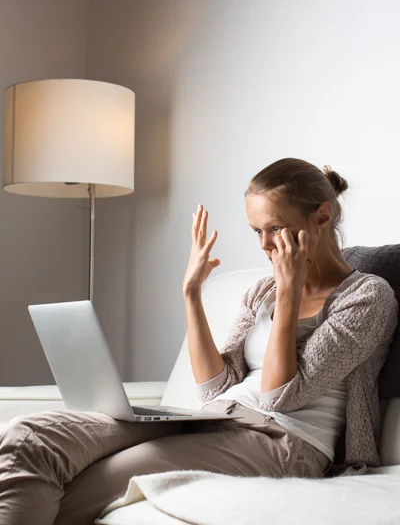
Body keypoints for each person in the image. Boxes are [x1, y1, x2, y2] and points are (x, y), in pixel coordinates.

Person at [0, 157, 397, 525]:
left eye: (275, 228)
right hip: (218, 417)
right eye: (257, 231)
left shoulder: (367, 296)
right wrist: (192, 294)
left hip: (289, 441)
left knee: (89, 486)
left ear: (322, 217)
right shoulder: (262, 290)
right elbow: (215, 387)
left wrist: (291, 297)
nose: (264, 244)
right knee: (30, 437)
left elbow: (280, 396)